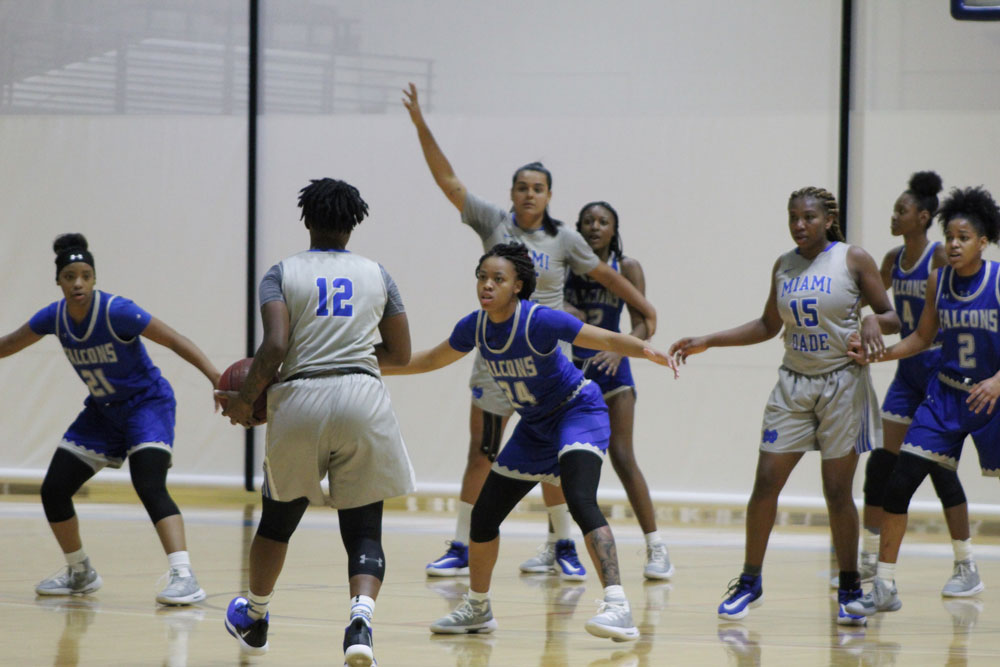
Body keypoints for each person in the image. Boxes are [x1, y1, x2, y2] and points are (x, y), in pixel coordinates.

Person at [403, 83, 658, 582]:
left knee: (553, 455)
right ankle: (461, 542)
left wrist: (645, 307)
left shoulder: (564, 238)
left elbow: (606, 275)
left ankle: (563, 542)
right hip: (495, 356)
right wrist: (421, 126)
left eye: (537, 188)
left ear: (548, 195)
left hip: (544, 361)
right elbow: (448, 180)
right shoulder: (494, 224)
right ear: (511, 193)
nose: (528, 195)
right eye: (521, 187)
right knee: (483, 451)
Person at [383, 242, 678, 642]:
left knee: (580, 498)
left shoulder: (539, 321)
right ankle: (478, 608)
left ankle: (618, 607)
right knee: (484, 517)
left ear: (518, 286)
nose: (487, 285)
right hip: (536, 425)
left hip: (578, 411)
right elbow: (430, 360)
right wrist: (368, 364)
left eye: (498, 279)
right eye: (482, 277)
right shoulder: (475, 326)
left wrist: (647, 351)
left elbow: (605, 339)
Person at [668, 187, 900, 626]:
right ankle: (750, 580)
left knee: (836, 492)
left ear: (827, 220)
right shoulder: (784, 265)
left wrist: (871, 319)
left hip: (842, 384)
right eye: (793, 217)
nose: (799, 225)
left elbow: (892, 318)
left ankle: (850, 586)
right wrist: (708, 340)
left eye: (808, 217)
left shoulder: (853, 259)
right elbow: (767, 325)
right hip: (793, 384)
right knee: (766, 482)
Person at [217, 178, 415, 666]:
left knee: (278, 519)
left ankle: (257, 617)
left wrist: (245, 399)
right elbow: (402, 353)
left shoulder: (281, 274)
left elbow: (277, 346)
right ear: (354, 223)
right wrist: (348, 354)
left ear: (307, 219)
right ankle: (361, 620)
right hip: (362, 396)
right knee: (365, 523)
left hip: (300, 395)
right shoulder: (378, 274)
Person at [0, 233, 219, 605]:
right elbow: (7, 345)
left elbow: (175, 340)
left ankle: (184, 576)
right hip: (102, 413)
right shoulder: (53, 317)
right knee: (53, 490)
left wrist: (216, 378)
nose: (78, 283)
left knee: (148, 483)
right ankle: (80, 571)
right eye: (70, 276)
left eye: (85, 274)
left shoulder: (118, 311)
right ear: (59, 282)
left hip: (147, 405)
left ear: (95, 278)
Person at [846, 185, 1000, 617]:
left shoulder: (998, 279)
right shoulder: (938, 279)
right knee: (898, 480)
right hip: (947, 395)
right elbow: (920, 337)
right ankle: (884, 586)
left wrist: (998, 381)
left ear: (983, 242)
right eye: (950, 235)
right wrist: (877, 353)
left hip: (993, 397)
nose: (953, 244)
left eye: (964, 237)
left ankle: (967, 566)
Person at [564, 200, 672, 579]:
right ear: (577, 229)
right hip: (573, 372)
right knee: (563, 460)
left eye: (603, 221)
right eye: (588, 221)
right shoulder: (567, 265)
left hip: (613, 371)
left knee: (623, 457)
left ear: (614, 229)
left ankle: (657, 547)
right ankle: (557, 546)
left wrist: (623, 346)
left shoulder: (627, 268)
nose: (595, 227)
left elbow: (645, 324)